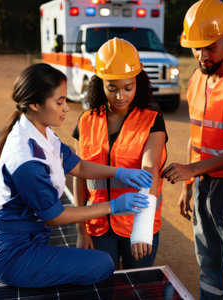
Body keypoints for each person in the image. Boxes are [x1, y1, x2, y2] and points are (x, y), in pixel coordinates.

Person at [0, 63, 154, 288]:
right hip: (13, 256)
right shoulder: (26, 159)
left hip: (29, 243)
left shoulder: (42, 132)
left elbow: (80, 167)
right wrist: (112, 206)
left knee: (97, 264)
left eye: (65, 100)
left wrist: (120, 172)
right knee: (103, 264)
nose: (66, 108)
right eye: (59, 102)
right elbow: (55, 217)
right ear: (35, 104)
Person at [161, 0, 223, 298]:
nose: (202, 55)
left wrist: (191, 170)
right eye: (196, 48)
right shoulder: (194, 81)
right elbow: (197, 136)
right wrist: (189, 185)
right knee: (208, 262)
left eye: (210, 47)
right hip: (204, 185)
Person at [72, 38, 167, 269]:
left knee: (138, 288)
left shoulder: (152, 120)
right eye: (112, 88)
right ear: (100, 84)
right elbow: (79, 175)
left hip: (136, 224)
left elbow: (150, 168)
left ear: (138, 82)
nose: (120, 96)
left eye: (128, 87)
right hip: (97, 226)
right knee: (104, 287)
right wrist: (81, 229)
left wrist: (142, 229)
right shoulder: (86, 121)